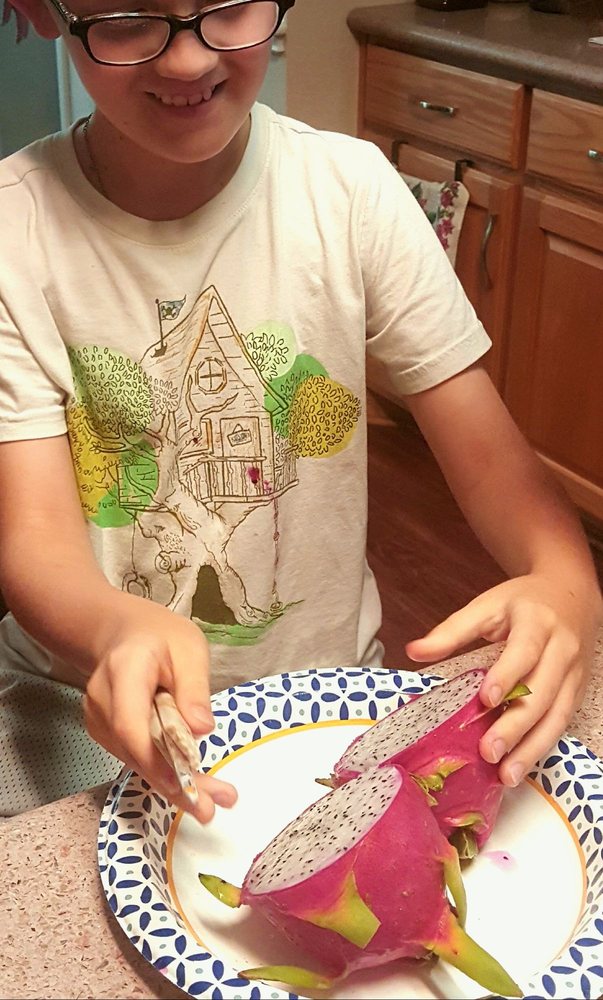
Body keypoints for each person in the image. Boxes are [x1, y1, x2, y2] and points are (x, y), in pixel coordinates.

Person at [0, 0, 600, 822]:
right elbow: (33, 537)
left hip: (320, 694)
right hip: (76, 705)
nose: (187, 61)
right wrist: (111, 628)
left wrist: (565, 583)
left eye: (226, 5)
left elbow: (502, 475)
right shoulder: (14, 231)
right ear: (44, 11)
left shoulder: (352, 193)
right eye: (129, 18)